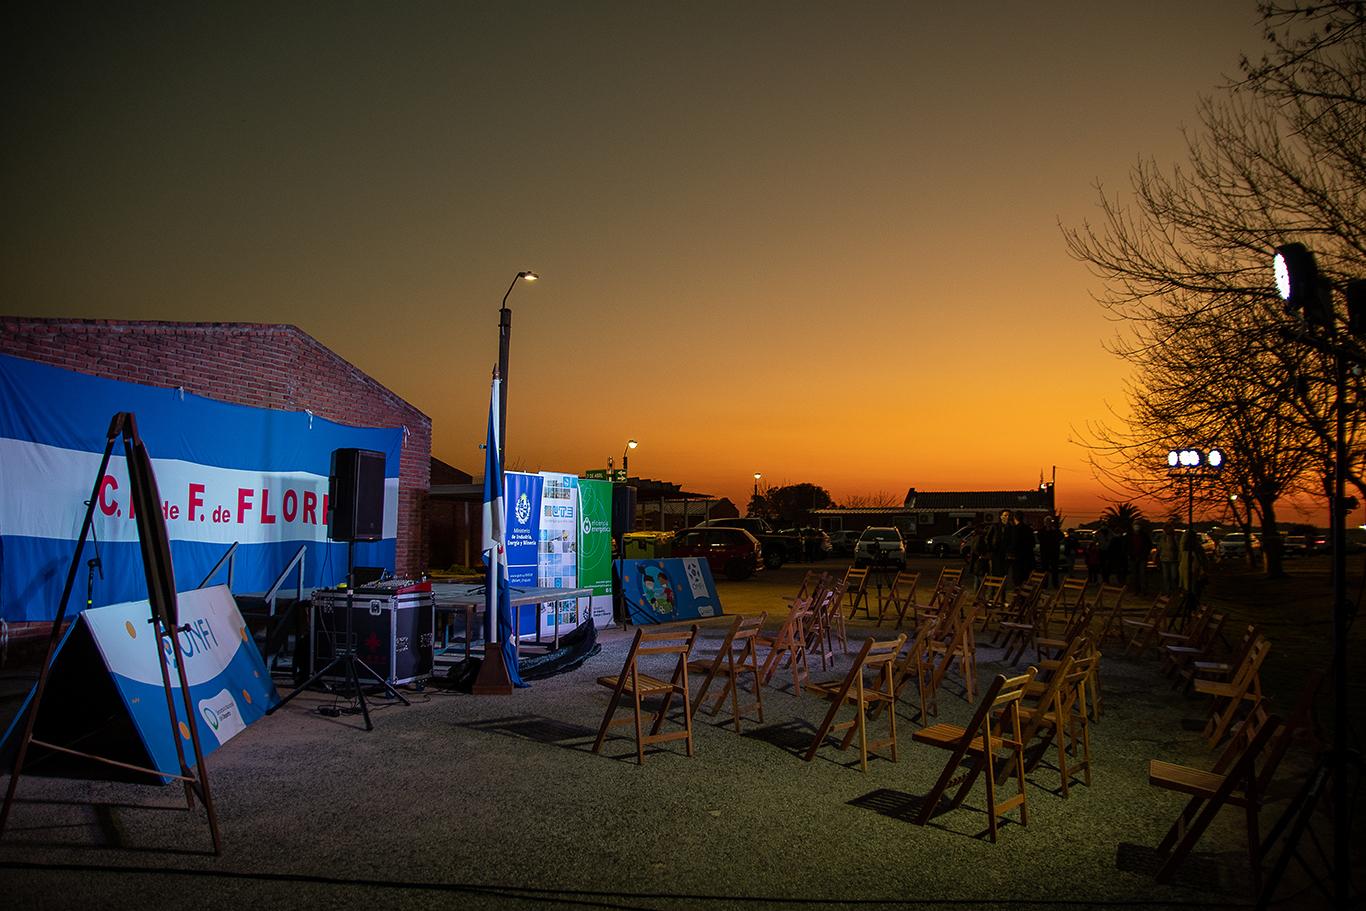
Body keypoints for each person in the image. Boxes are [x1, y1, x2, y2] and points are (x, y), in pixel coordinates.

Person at [1010, 513, 1036, 587]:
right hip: (1028, 557)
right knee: (1026, 577)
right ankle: (1025, 594)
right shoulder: (1029, 529)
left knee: (1017, 578)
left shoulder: (1015, 529)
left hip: (1018, 558)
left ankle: (1019, 595)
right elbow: (1033, 543)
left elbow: (1014, 543)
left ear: (1015, 519)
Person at [985, 509, 1013, 578]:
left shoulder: (1011, 528)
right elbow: (987, 538)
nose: (1007, 517)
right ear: (1001, 516)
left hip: (1005, 553)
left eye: (1008, 515)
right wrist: (990, 549)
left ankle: (1002, 587)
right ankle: (994, 587)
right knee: (995, 571)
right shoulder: (995, 526)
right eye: (1005, 515)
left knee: (1004, 572)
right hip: (995, 552)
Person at [1037, 516, 1063, 588]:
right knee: (1045, 570)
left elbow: (1061, 536)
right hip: (1045, 553)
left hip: (1054, 553)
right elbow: (1039, 538)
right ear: (1045, 523)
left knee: (1055, 570)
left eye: (1049, 522)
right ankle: (1045, 584)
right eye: (1047, 522)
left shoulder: (1055, 530)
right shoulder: (1041, 531)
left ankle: (1055, 584)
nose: (1048, 523)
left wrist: (1055, 530)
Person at [1129, 519, 1152, 594]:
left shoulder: (1144, 535)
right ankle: (1136, 590)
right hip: (1133, 557)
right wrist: (1129, 555)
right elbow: (1126, 546)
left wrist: (1144, 554)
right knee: (1134, 575)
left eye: (1138, 525)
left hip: (1142, 558)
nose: (1136, 527)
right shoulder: (1130, 535)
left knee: (1143, 574)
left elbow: (1148, 546)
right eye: (1135, 525)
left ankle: (1143, 590)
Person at [1158, 518, 1180, 594]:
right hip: (1164, 559)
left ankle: (1174, 590)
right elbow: (1160, 547)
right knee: (1166, 577)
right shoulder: (1162, 538)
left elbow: (1178, 547)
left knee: (1174, 576)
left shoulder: (1174, 537)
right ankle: (1168, 591)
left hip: (1173, 559)